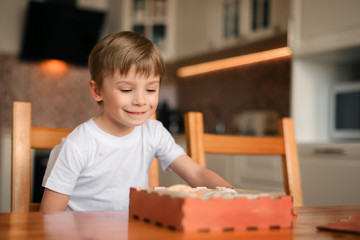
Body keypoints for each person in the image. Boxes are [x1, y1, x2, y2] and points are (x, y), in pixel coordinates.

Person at [40, 31, 232, 212]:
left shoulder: (154, 132)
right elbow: (50, 216)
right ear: (97, 91)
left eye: (150, 90)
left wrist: (235, 196)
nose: (141, 101)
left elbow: (197, 174)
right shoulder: (79, 144)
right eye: (126, 90)